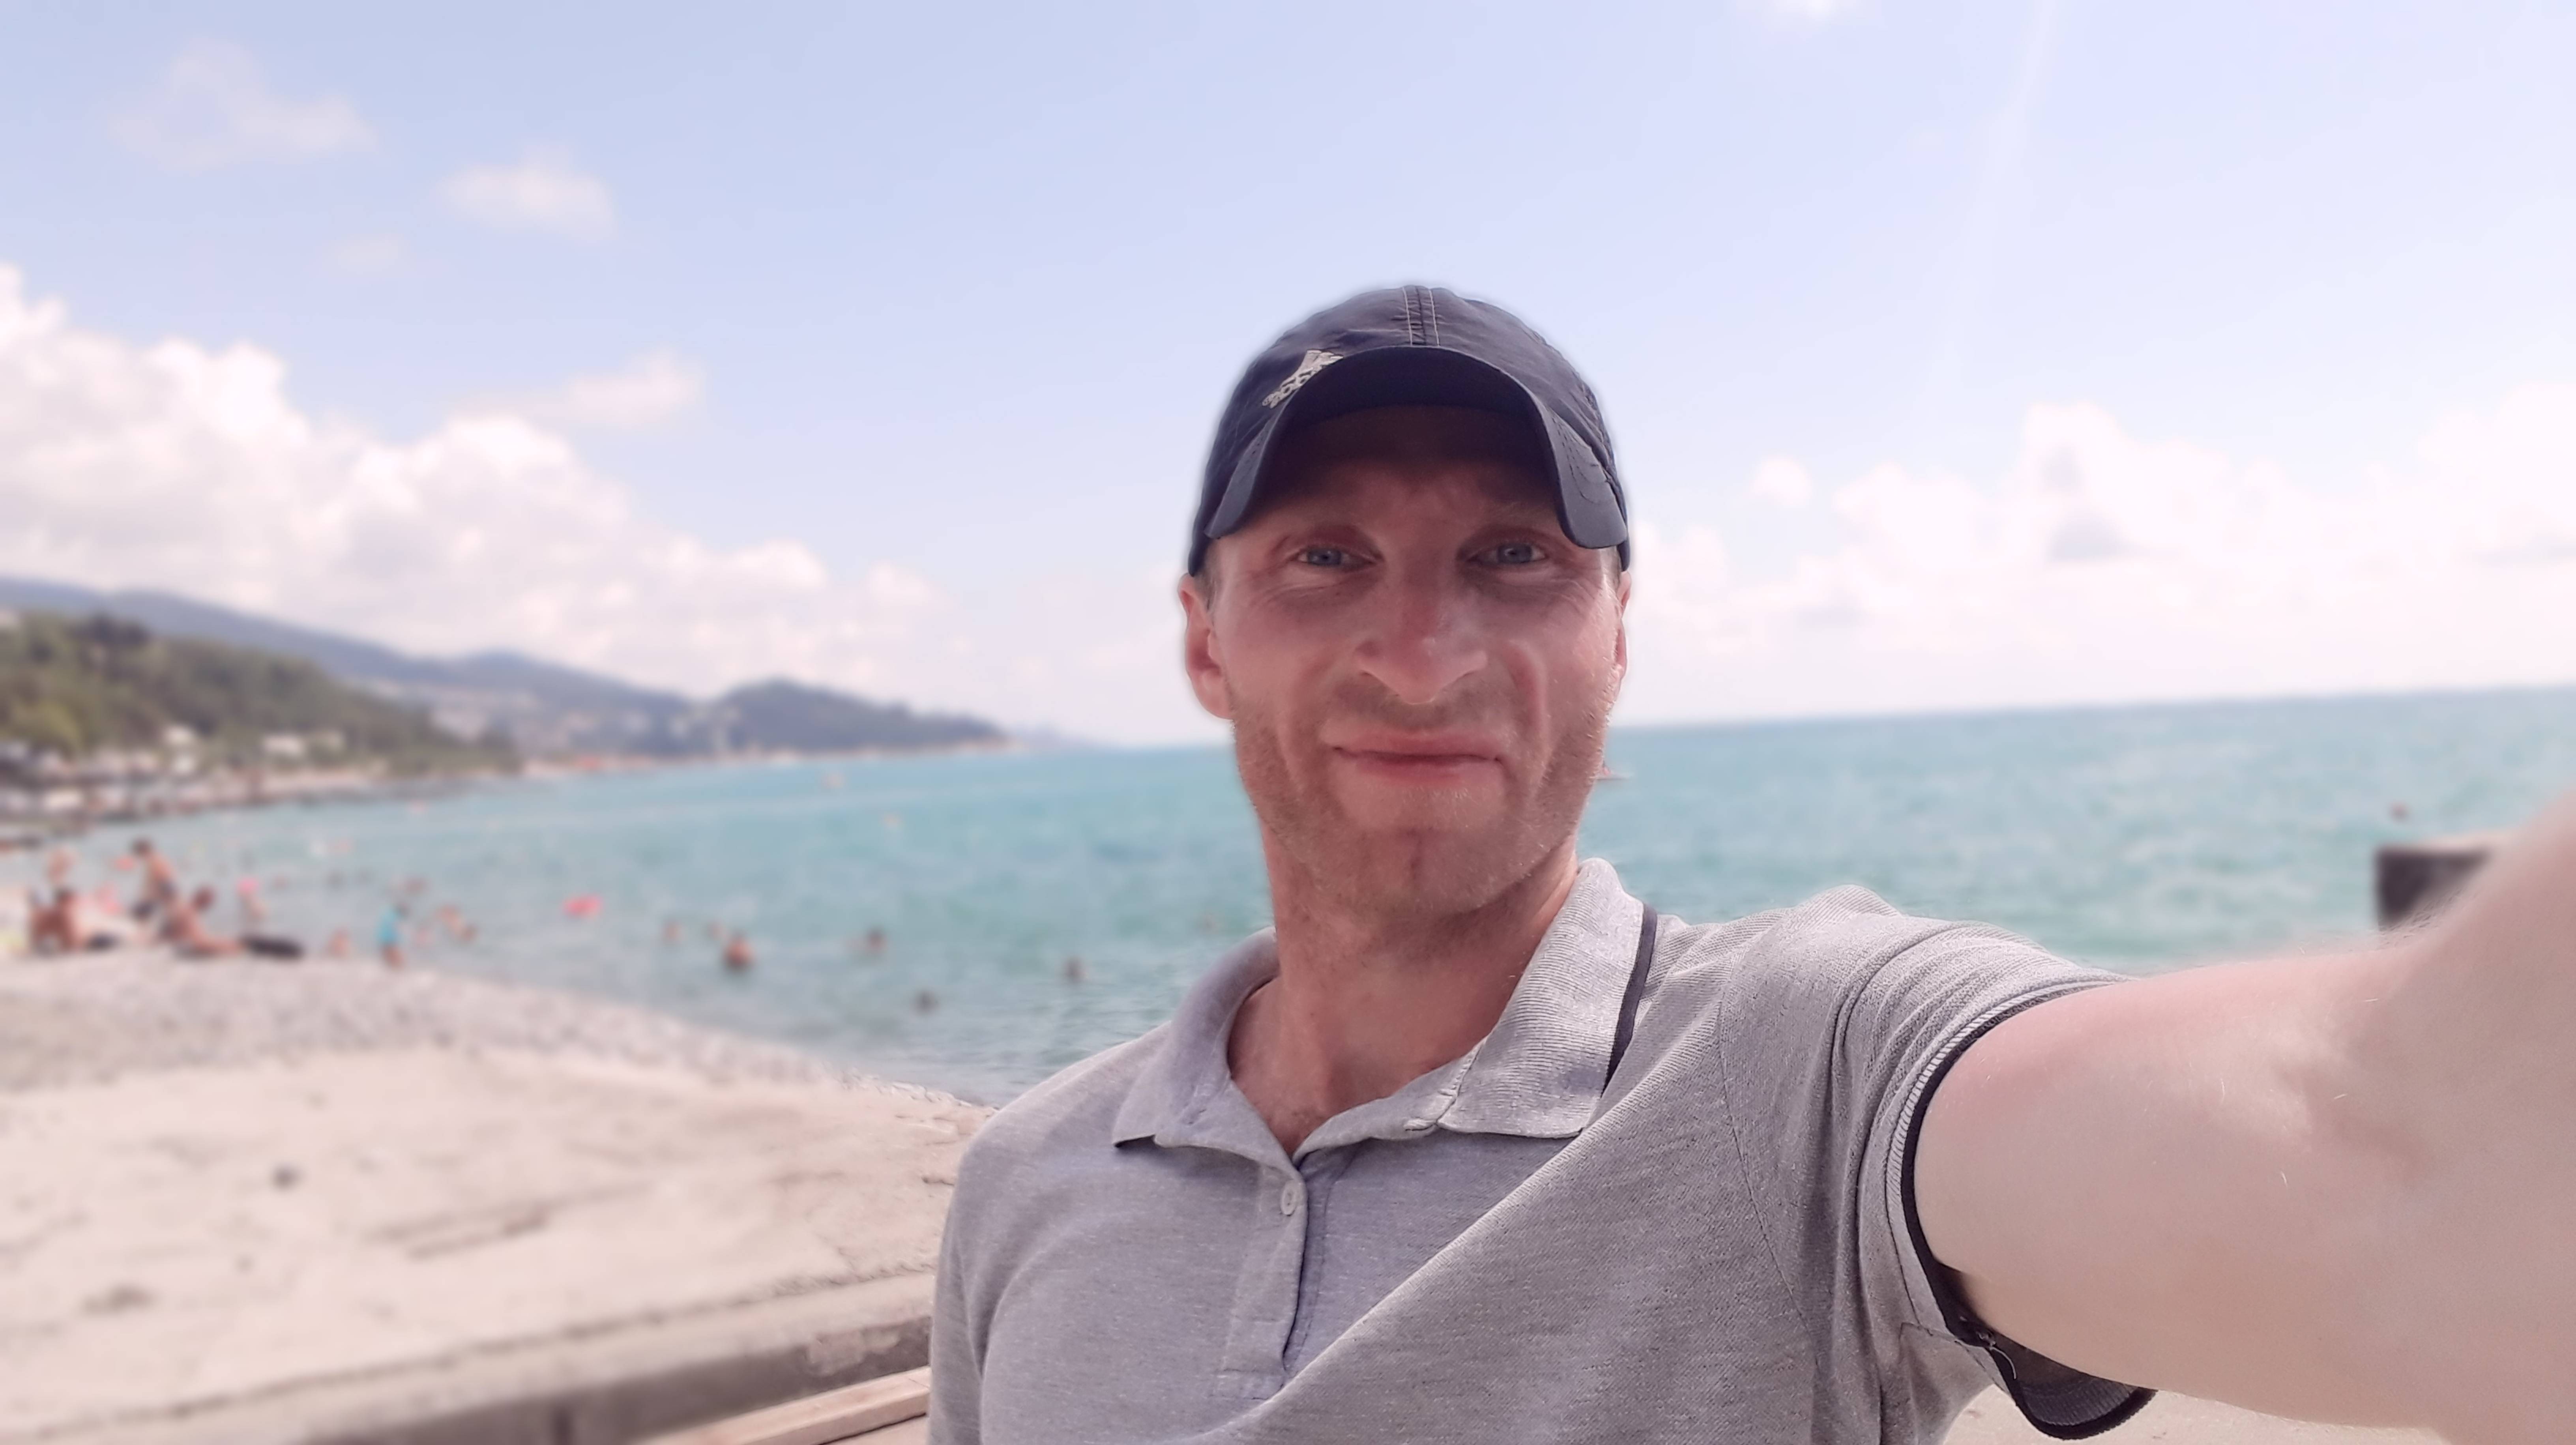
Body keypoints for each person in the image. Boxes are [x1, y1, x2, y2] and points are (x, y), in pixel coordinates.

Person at [929, 287, 2576, 1445]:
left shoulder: (1802, 1068)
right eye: (1324, 555)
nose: (1423, 657)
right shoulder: (1028, 1179)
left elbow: (2391, 1144)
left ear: (1618, 633)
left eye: (1514, 555)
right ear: (1205, 639)